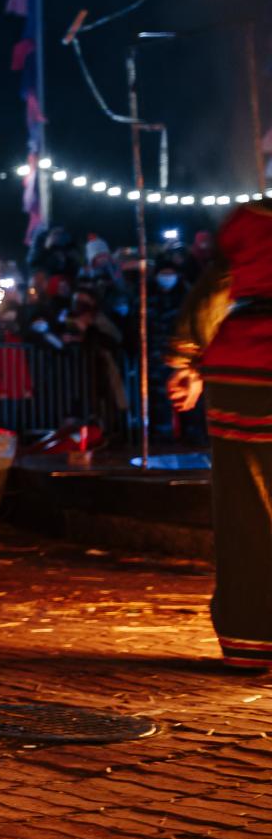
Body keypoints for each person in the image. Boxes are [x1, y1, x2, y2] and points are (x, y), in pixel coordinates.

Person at [168, 205, 272, 669]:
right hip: (248, 367)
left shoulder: (250, 221)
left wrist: (188, 363)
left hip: (241, 367)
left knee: (244, 507)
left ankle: (249, 636)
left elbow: (213, 291)